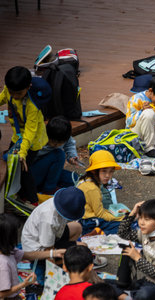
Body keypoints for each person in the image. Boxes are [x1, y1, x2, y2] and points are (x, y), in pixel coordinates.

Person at [0, 66, 48, 204]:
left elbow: (30, 131)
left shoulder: (32, 106)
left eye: (19, 94)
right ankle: (20, 195)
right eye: (11, 92)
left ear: (28, 87)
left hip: (33, 142)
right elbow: (3, 97)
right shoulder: (10, 91)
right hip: (18, 137)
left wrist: (22, 153)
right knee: (12, 164)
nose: (14, 96)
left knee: (24, 171)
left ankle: (33, 201)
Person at [117, 199, 155, 300]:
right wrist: (133, 212)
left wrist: (137, 258)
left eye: (147, 219)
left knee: (144, 294)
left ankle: (129, 296)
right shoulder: (145, 234)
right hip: (147, 281)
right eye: (140, 217)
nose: (141, 222)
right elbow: (122, 233)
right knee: (112, 286)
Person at [0, 213, 65, 299]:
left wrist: (53, 253)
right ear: (8, 237)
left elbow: (28, 255)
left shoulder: (9, 250)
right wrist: (24, 284)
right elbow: (2, 294)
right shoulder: (3, 264)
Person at [78, 150, 124, 235]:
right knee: (126, 227)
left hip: (83, 219)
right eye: (104, 171)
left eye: (111, 171)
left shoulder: (85, 180)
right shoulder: (92, 188)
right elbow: (100, 214)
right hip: (88, 223)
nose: (108, 175)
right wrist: (121, 218)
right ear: (94, 171)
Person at [31, 115, 79, 195]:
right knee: (59, 154)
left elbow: (69, 144)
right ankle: (48, 189)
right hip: (33, 175)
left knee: (74, 179)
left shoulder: (64, 136)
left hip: (48, 174)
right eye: (53, 141)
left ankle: (44, 187)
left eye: (60, 143)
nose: (56, 145)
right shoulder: (38, 138)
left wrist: (72, 156)